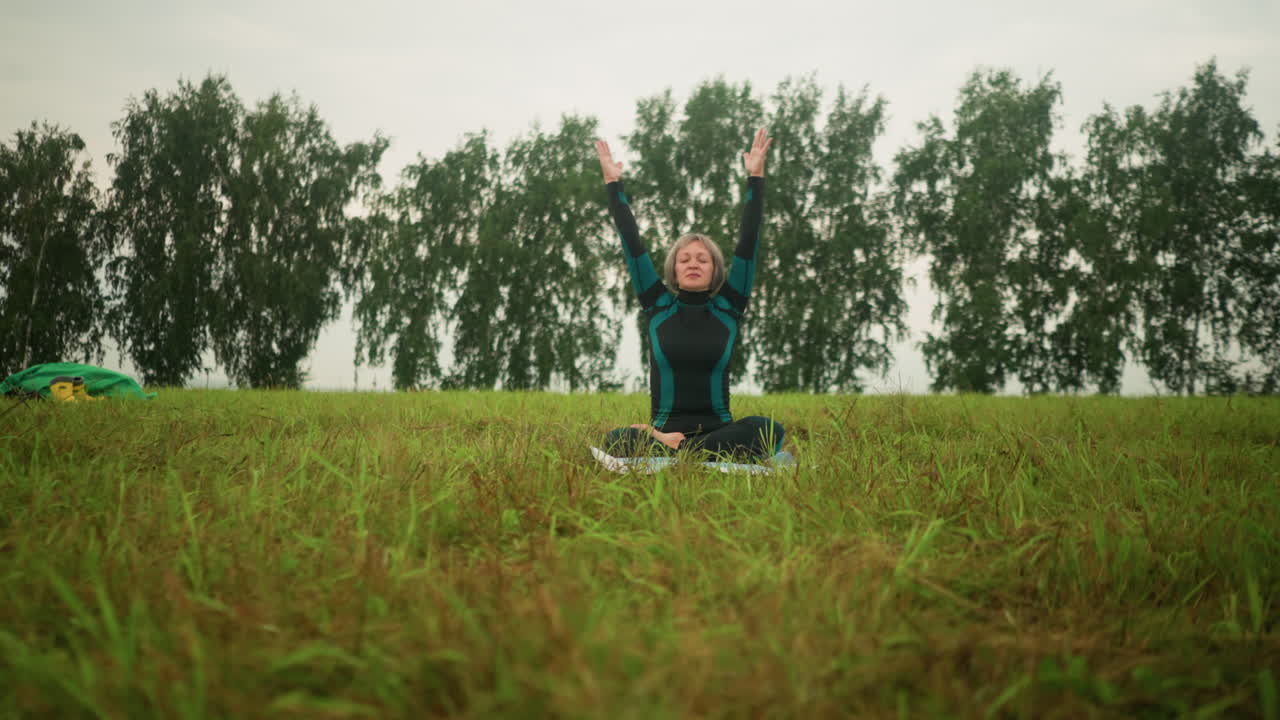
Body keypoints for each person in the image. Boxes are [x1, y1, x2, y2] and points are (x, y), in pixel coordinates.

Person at [595, 128, 785, 462]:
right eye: (684, 259)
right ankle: (691, 451)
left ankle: (684, 451)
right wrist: (614, 186)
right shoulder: (657, 305)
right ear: (674, 268)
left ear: (715, 270)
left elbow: (749, 241)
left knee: (770, 429)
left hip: (719, 432)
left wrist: (755, 176)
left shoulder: (729, 306)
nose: (693, 264)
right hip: (664, 430)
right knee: (616, 439)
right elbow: (632, 242)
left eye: (702, 259)